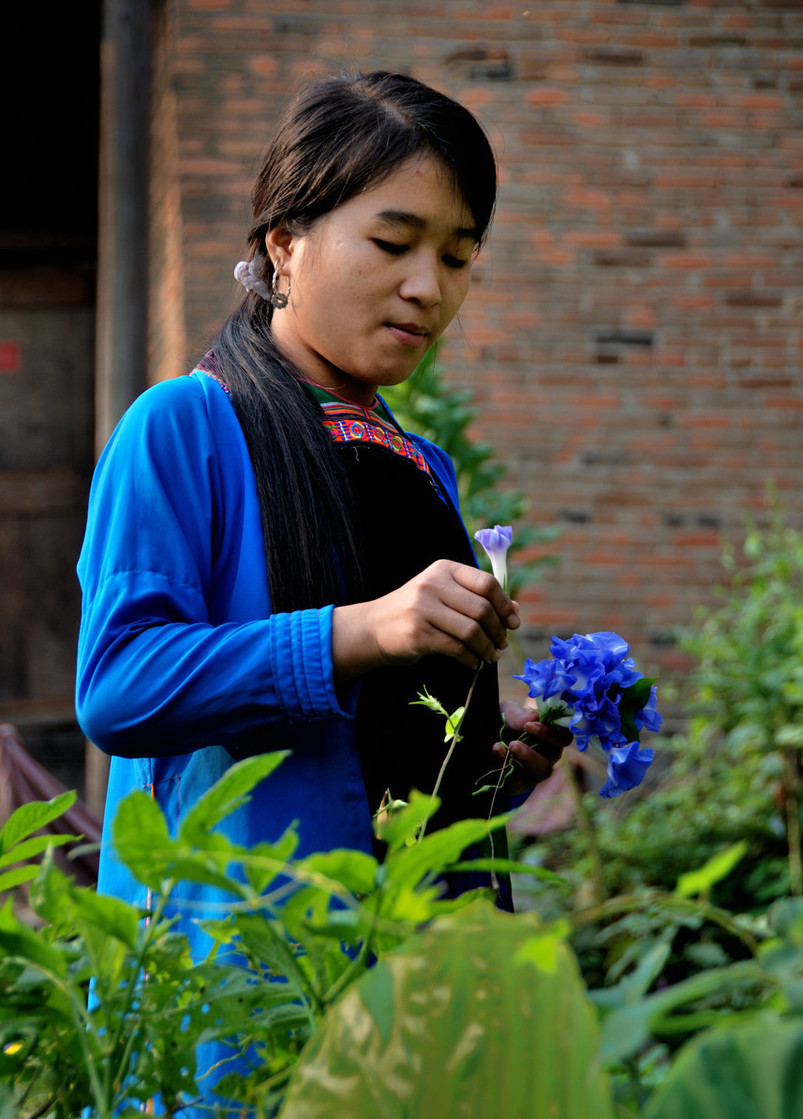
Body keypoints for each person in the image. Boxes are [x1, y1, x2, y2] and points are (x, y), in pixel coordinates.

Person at [76, 69, 567, 1110]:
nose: (426, 286)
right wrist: (357, 632)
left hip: (411, 979)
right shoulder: (182, 429)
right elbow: (117, 686)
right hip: (243, 986)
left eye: (457, 255)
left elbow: (383, 748)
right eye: (391, 244)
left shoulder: (419, 464)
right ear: (283, 245)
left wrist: (489, 755)